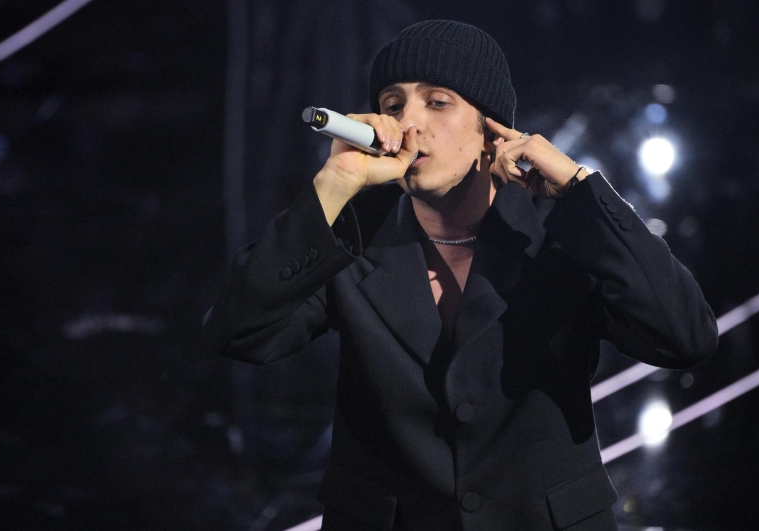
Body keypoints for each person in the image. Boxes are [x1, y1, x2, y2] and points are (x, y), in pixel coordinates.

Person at [204, 20, 718, 531]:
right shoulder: (354, 237)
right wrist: (334, 185)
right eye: (391, 105)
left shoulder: (561, 233)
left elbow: (685, 336)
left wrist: (585, 191)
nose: (409, 122)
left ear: (490, 128)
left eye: (437, 101)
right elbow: (238, 331)